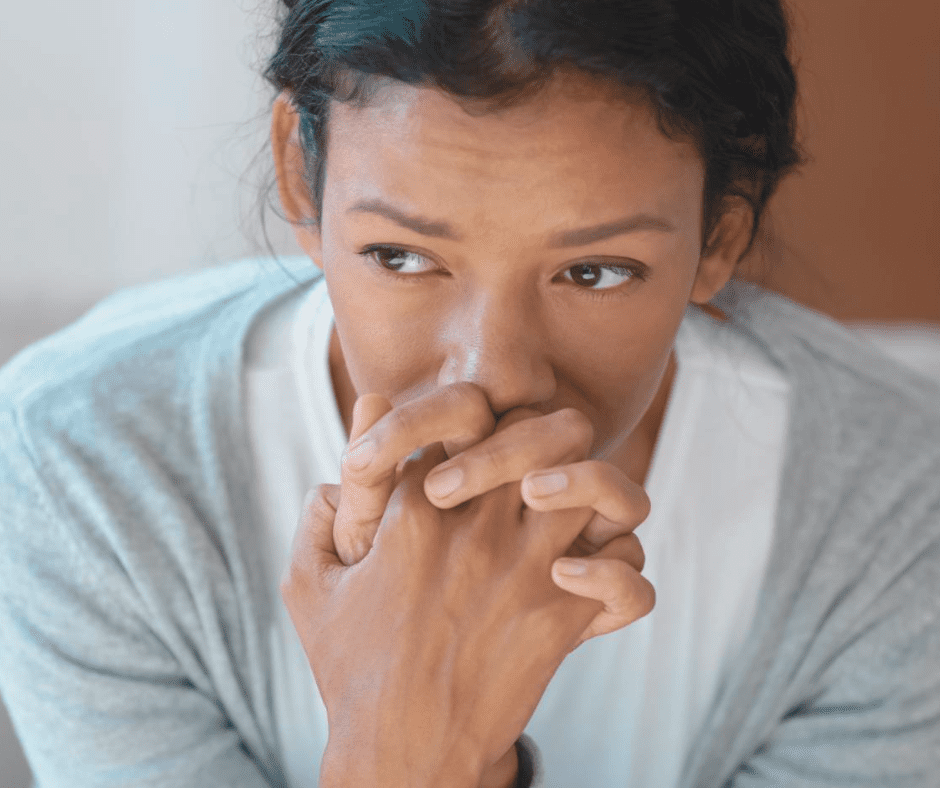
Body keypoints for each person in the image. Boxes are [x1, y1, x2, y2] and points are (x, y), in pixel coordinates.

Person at [1, 1, 938, 786]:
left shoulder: (897, 515)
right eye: (401, 257)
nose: (489, 376)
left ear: (721, 236)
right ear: (300, 170)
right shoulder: (80, 469)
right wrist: (408, 744)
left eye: (597, 271)